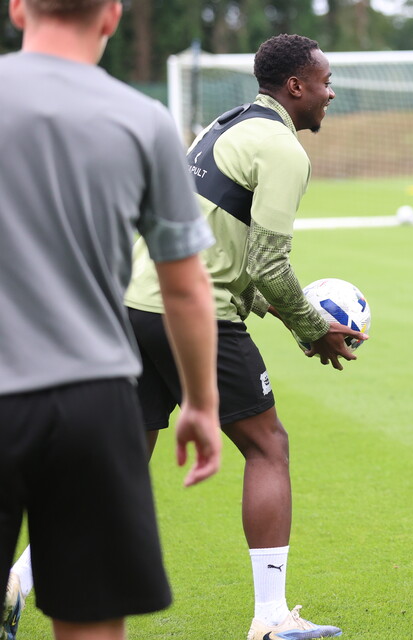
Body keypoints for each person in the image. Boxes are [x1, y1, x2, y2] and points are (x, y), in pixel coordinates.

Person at [124, 33, 366, 639]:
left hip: (136, 304)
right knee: (267, 448)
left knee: (121, 458)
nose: (330, 93)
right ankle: (271, 618)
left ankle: (23, 576)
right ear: (296, 86)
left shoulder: (222, 126)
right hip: (197, 313)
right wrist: (314, 329)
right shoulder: (283, 149)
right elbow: (269, 266)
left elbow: (232, 257)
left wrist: (292, 319)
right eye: (325, 82)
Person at [0, 0, 222, 638]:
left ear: (18, 9)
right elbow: (185, 287)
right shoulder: (144, 120)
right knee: (92, 625)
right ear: (112, 16)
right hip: (92, 403)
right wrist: (200, 404)